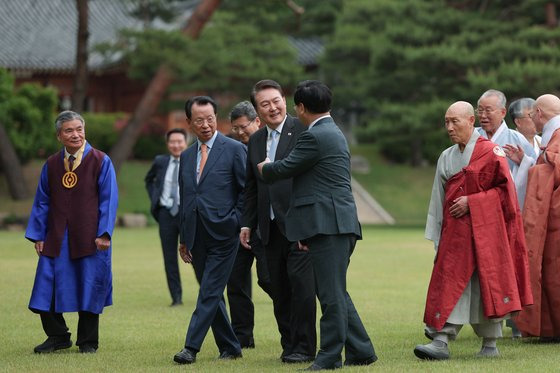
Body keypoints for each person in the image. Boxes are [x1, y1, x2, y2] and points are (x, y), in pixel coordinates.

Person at [258, 80, 377, 370]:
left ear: (300, 107)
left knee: (331, 295)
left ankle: (330, 356)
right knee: (335, 290)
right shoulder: (330, 131)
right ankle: (361, 351)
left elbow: (285, 167)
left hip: (330, 225)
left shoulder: (315, 136)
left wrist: (265, 168)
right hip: (332, 223)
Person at [414, 101, 533, 360]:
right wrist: (437, 238)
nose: (449, 127)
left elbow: (507, 195)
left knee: (485, 285)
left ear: (471, 121)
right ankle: (441, 339)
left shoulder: (492, 153)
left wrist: (473, 202)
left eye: (454, 121)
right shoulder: (446, 156)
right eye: (446, 122)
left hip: (486, 236)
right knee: (450, 282)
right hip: (455, 236)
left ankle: (490, 343)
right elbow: (438, 201)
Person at [25, 110, 118, 354]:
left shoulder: (100, 160)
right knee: (45, 287)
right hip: (56, 236)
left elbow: (109, 201)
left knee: (89, 285)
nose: (75, 134)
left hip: (90, 236)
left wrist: (104, 233)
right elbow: (42, 201)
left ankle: (88, 342)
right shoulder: (52, 164)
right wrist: (39, 235)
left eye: (79, 129)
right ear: (59, 136)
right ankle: (58, 336)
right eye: (69, 130)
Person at [241, 79, 317, 363]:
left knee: (303, 289)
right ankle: (290, 344)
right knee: (279, 287)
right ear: (257, 111)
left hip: (299, 226)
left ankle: (305, 347)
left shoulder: (303, 130)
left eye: (276, 101)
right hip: (268, 227)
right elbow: (252, 186)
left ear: (284, 100)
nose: (272, 107)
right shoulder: (256, 140)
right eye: (265, 104)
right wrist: (247, 223)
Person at [173, 96, 246, 364]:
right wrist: (183, 238)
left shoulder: (234, 149)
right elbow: (186, 198)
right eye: (200, 120)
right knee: (212, 292)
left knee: (208, 292)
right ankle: (231, 346)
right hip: (195, 235)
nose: (206, 124)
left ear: (218, 118)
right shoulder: (187, 155)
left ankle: (190, 348)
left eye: (211, 118)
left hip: (225, 234)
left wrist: (236, 220)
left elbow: (245, 191)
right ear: (190, 123)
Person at [227, 101, 273, 348]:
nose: (240, 133)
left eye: (243, 127)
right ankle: (242, 338)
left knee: (269, 280)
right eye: (235, 129)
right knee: (235, 281)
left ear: (257, 121)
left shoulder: (272, 143)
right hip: (237, 226)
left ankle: (294, 325)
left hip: (266, 225)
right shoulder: (231, 148)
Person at [515, 94, 560, 341]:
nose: (532, 120)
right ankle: (550, 328)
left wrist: (536, 170)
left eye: (532, 116)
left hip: (555, 219)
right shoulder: (552, 139)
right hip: (551, 217)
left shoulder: (557, 139)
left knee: (553, 273)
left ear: (539, 114)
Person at [145, 128, 188, 306]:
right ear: (167, 144)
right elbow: (149, 180)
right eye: (172, 142)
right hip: (166, 214)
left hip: (187, 214)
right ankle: (176, 297)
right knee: (169, 257)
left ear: (186, 143)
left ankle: (207, 294)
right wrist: (155, 197)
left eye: (179, 141)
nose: (176, 145)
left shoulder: (194, 160)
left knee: (195, 255)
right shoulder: (160, 161)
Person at [476, 89, 537, 208]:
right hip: (476, 203)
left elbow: (536, 171)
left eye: (488, 110)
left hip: (506, 204)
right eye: (480, 110)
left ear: (503, 112)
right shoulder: (472, 136)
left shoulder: (517, 139)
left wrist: (523, 160)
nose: (483, 115)